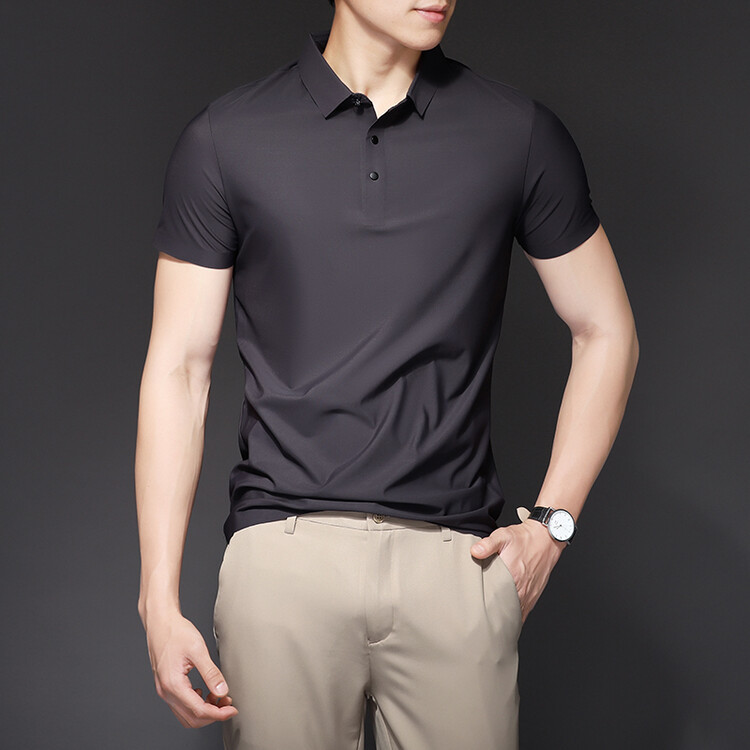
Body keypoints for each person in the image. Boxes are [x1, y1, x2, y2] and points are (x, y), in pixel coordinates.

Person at [135, 1, 639, 748]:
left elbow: (607, 329)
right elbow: (179, 368)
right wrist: (158, 598)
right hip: (283, 560)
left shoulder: (516, 132)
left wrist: (551, 527)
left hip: (456, 562)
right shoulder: (226, 137)